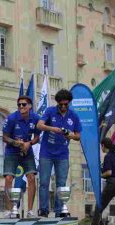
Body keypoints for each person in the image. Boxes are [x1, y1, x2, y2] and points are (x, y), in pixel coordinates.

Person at [37, 89, 81, 217]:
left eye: (65, 104)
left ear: (69, 103)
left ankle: (59, 210)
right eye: (60, 104)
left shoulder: (73, 116)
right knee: (44, 182)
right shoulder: (50, 111)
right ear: (57, 103)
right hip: (46, 153)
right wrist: (52, 129)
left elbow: (78, 136)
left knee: (61, 183)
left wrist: (70, 135)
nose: (62, 107)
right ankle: (44, 210)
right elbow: (39, 125)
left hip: (62, 154)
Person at [3, 95, 41, 218]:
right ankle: (9, 210)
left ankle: (30, 211)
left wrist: (28, 143)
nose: (21, 107)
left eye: (23, 104)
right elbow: (4, 137)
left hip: (27, 150)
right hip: (12, 151)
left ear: (30, 106)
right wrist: (16, 143)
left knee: (31, 177)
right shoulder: (12, 118)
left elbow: (37, 138)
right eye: (19, 105)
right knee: (9, 178)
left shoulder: (35, 118)